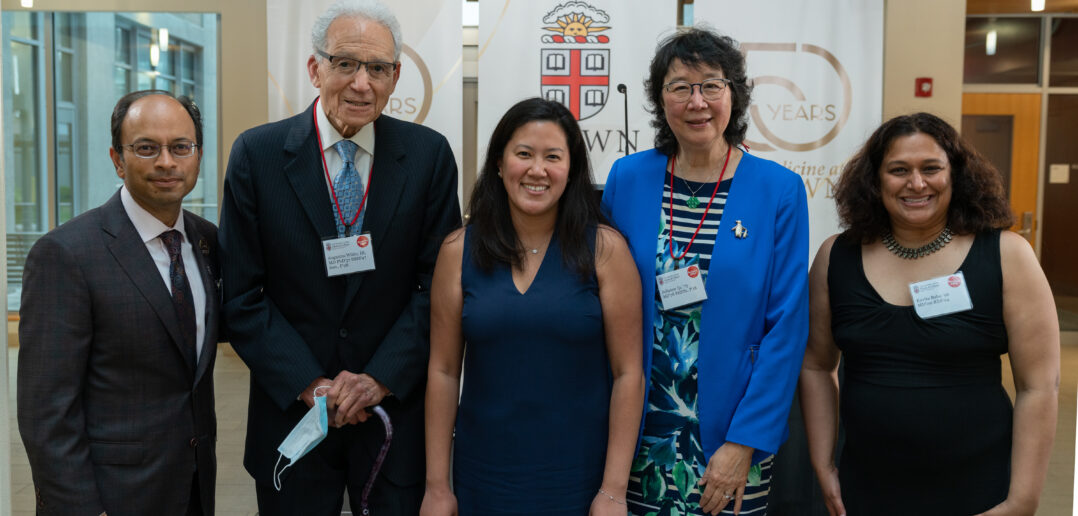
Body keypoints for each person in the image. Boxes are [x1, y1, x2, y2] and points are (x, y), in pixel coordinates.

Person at [217, 0, 461, 513]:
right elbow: (241, 294)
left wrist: (377, 379)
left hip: (393, 413)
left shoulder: (428, 156)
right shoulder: (257, 156)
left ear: (396, 77)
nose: (361, 84)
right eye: (345, 63)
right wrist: (311, 385)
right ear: (315, 68)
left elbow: (435, 287)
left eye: (377, 69)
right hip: (293, 413)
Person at [800, 112, 1060, 516]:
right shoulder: (836, 257)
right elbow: (817, 366)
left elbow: (1040, 386)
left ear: (956, 175)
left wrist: (1023, 500)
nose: (916, 183)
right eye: (898, 170)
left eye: (931, 168)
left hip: (980, 493)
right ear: (875, 180)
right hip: (867, 490)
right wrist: (823, 463)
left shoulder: (1007, 255)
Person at [601, 27, 809, 515]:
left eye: (711, 85)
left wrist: (746, 442)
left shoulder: (777, 190)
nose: (697, 101)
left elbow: (787, 327)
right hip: (637, 431)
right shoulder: (627, 179)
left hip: (731, 435)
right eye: (680, 87)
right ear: (661, 100)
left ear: (733, 94)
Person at [421, 98, 644, 515]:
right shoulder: (458, 249)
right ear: (500, 164)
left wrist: (613, 489)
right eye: (523, 154)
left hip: (579, 477)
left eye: (552, 157)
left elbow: (628, 374)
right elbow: (444, 370)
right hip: (483, 476)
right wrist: (437, 486)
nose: (537, 170)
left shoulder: (605, 250)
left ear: (572, 169)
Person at [17, 90, 219, 516]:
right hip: (111, 497)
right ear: (117, 159)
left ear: (198, 156)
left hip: (193, 488)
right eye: (147, 148)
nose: (167, 161)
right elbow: (46, 414)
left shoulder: (207, 242)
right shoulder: (66, 254)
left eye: (181, 147)